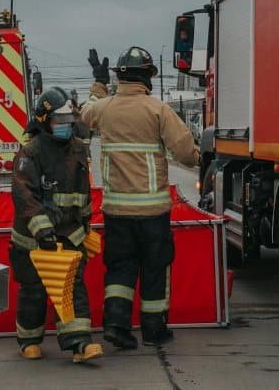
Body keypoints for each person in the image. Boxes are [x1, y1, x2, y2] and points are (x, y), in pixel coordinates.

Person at [79, 46, 201, 349]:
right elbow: (186, 152)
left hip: (116, 212)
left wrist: (97, 83)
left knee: (120, 269)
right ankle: (153, 330)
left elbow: (84, 112)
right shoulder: (158, 109)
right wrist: (201, 158)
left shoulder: (103, 107)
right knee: (154, 269)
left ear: (119, 76)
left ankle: (117, 326)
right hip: (153, 214)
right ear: (148, 75)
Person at [9, 87, 103, 364]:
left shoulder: (77, 148)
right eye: (58, 121)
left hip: (69, 233)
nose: (65, 126)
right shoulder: (31, 151)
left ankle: (80, 345)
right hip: (33, 239)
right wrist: (43, 231)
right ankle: (29, 340)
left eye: (68, 121)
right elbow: (24, 194)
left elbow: (82, 191)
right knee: (33, 290)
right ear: (43, 120)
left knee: (73, 289)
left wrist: (85, 226)